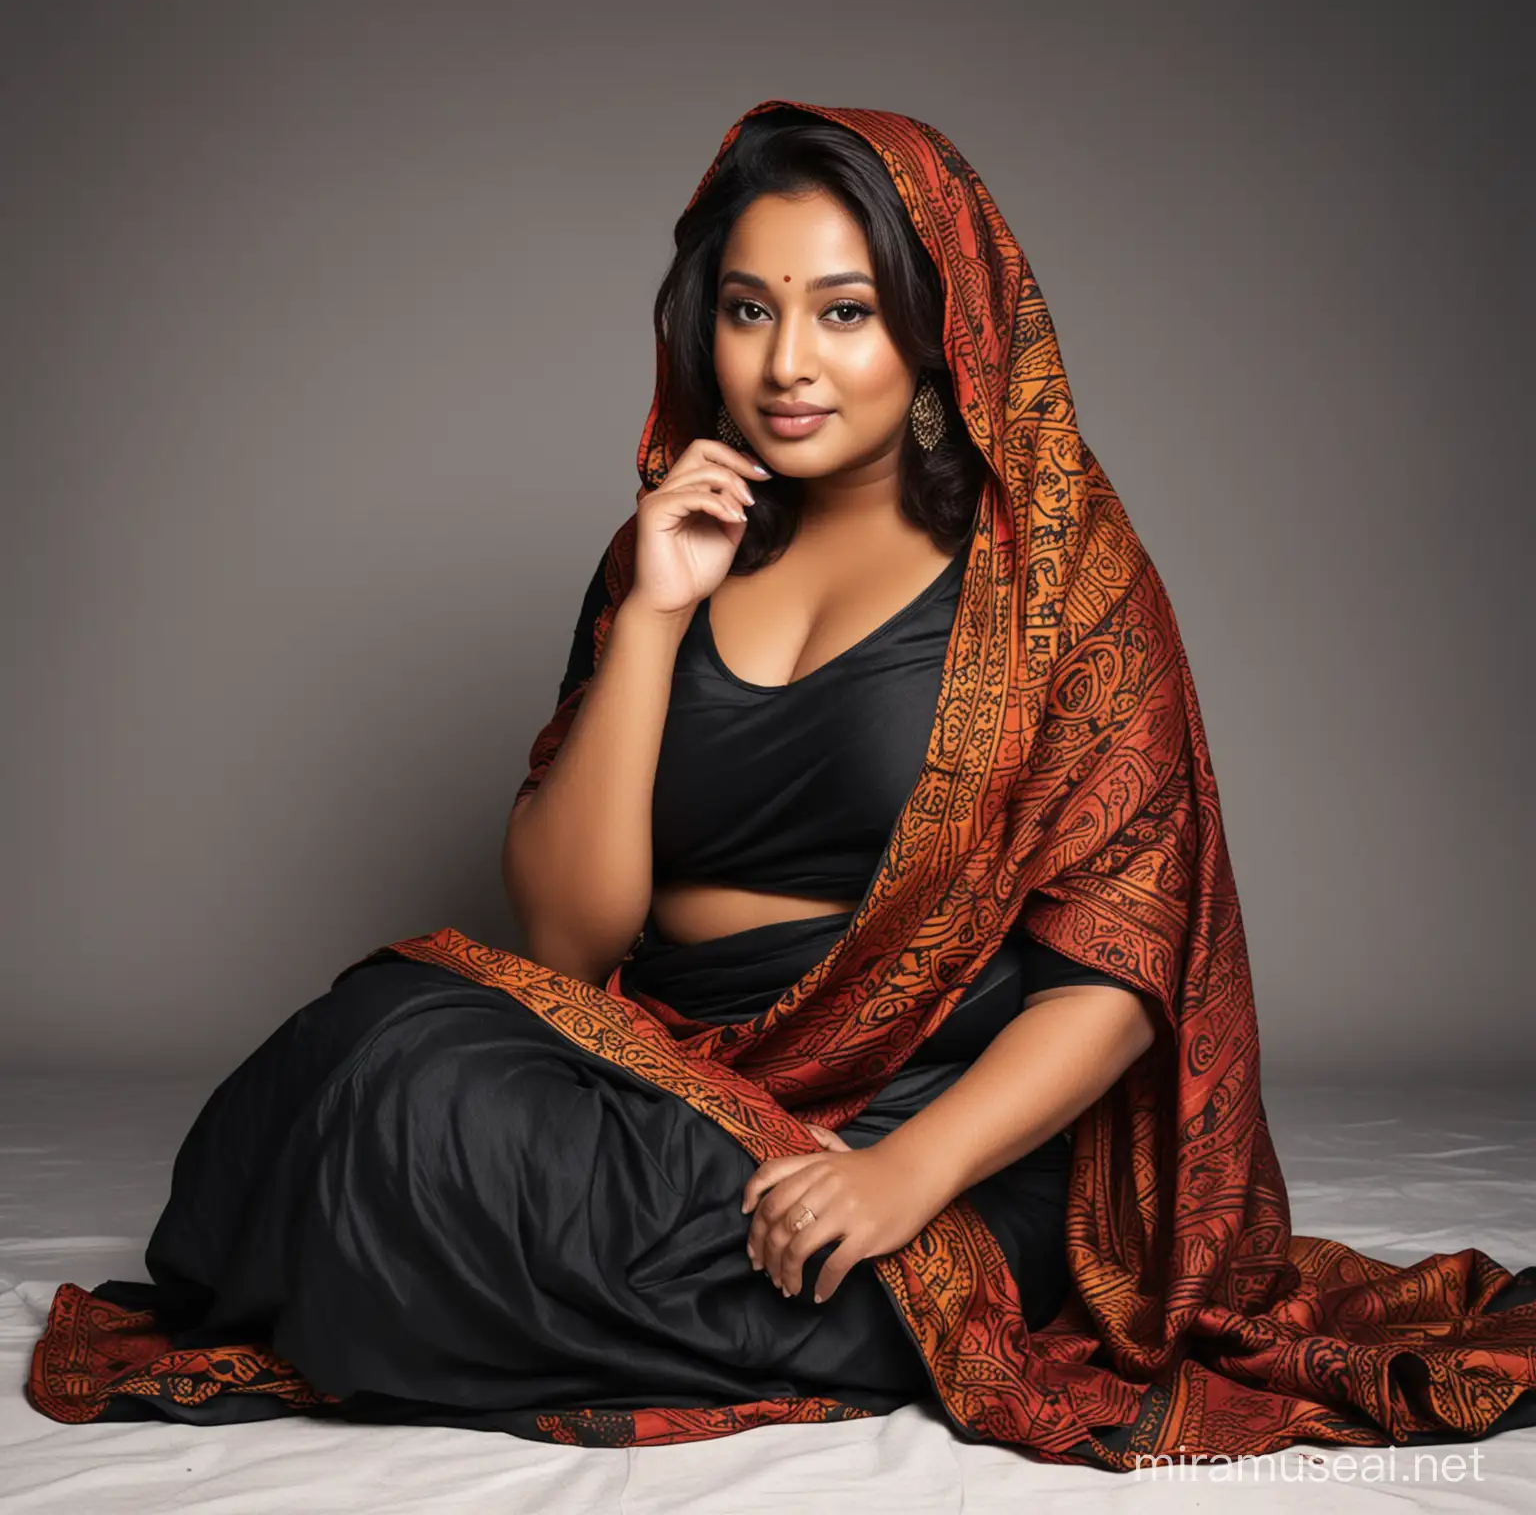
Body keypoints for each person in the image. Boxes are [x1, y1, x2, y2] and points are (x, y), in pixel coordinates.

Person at [27, 100, 1536, 1469]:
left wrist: (907, 1181)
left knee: (462, 1182)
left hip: (934, 1127)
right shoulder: (668, 543)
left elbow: (1130, 965)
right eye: (749, 311)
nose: (784, 364)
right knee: (366, 1067)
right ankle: (488, 1263)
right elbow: (562, 940)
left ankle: (746, 1280)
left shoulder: (1067, 587)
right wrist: (654, 620)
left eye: (844, 312)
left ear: (937, 329)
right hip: (673, 1068)